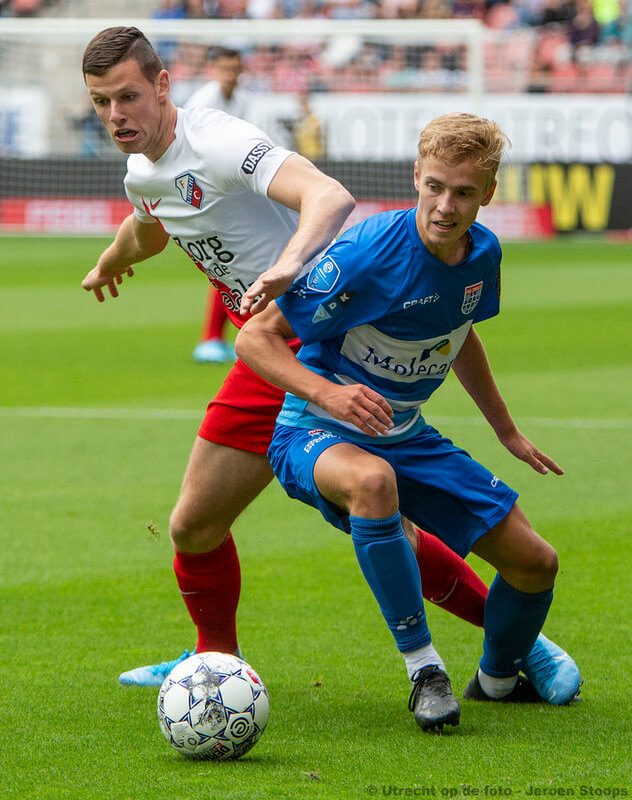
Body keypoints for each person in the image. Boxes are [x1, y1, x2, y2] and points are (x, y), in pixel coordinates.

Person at [80, 30, 579, 708]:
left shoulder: (221, 141)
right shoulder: (143, 165)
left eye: (129, 96)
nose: (116, 114)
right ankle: (212, 660)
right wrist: (115, 258)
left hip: (312, 341)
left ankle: (522, 641)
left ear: (163, 87)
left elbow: (326, 195)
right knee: (198, 525)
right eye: (102, 102)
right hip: (268, 348)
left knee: (376, 514)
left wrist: (289, 266)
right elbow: (151, 221)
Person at [235, 113, 581, 730]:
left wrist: (505, 429)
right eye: (435, 187)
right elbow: (255, 340)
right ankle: (424, 670)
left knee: (535, 563)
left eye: (465, 193)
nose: (446, 206)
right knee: (373, 485)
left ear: (489, 194)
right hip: (314, 428)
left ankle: (498, 680)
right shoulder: (367, 253)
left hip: (406, 435)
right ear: (416, 177)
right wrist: (329, 395)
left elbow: (459, 332)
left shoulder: (484, 254)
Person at [183, 47, 251, 364]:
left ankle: (218, 337)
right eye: (224, 68)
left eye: (234, 68)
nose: (230, 75)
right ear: (214, 69)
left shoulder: (241, 100)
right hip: (201, 191)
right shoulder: (202, 101)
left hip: (226, 189)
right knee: (224, 264)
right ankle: (213, 338)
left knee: (229, 265)